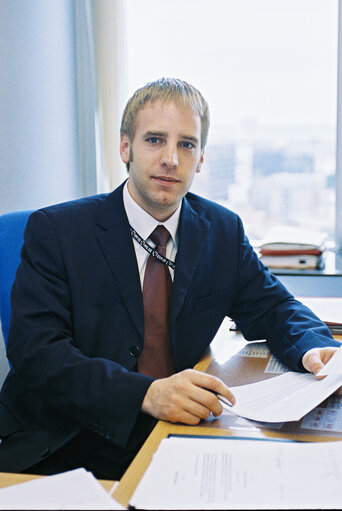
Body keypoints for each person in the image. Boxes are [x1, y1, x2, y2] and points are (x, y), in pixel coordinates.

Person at [0, 77, 340, 480]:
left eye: (186, 144)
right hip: (67, 438)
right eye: (155, 140)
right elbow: (37, 352)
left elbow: (274, 306)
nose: (171, 159)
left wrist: (316, 350)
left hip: (178, 428)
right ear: (125, 146)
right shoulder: (57, 231)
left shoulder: (221, 230)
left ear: (201, 159)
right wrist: (146, 394)